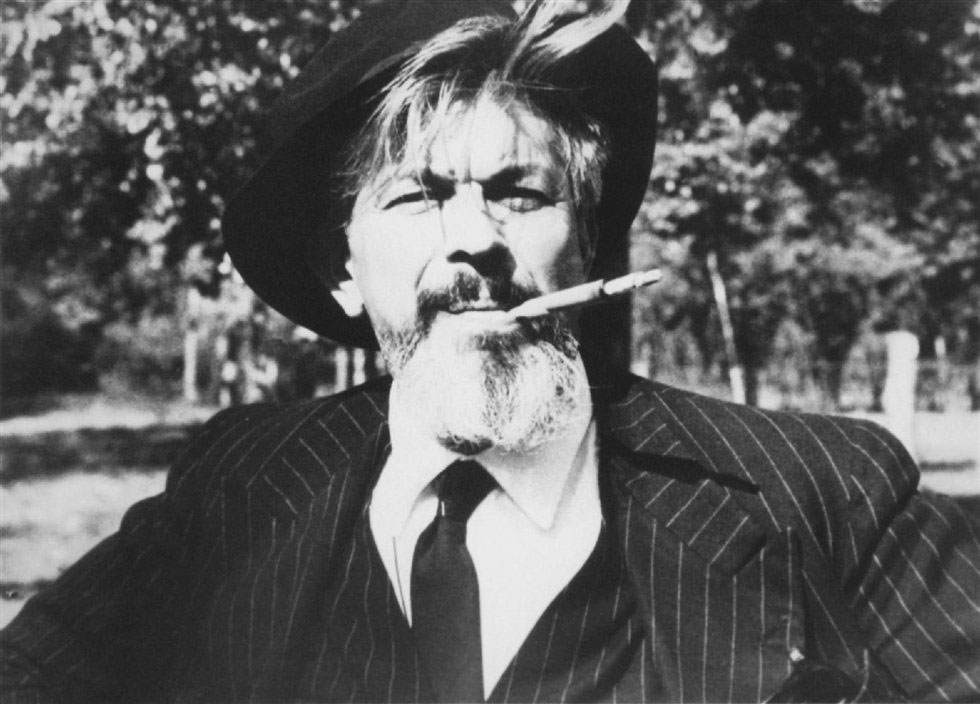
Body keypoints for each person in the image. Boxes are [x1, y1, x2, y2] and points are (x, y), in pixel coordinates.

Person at [2, 1, 979, 702]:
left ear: (586, 245)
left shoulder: (829, 496)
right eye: (417, 196)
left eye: (520, 193)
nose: (473, 239)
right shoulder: (238, 487)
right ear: (342, 273)